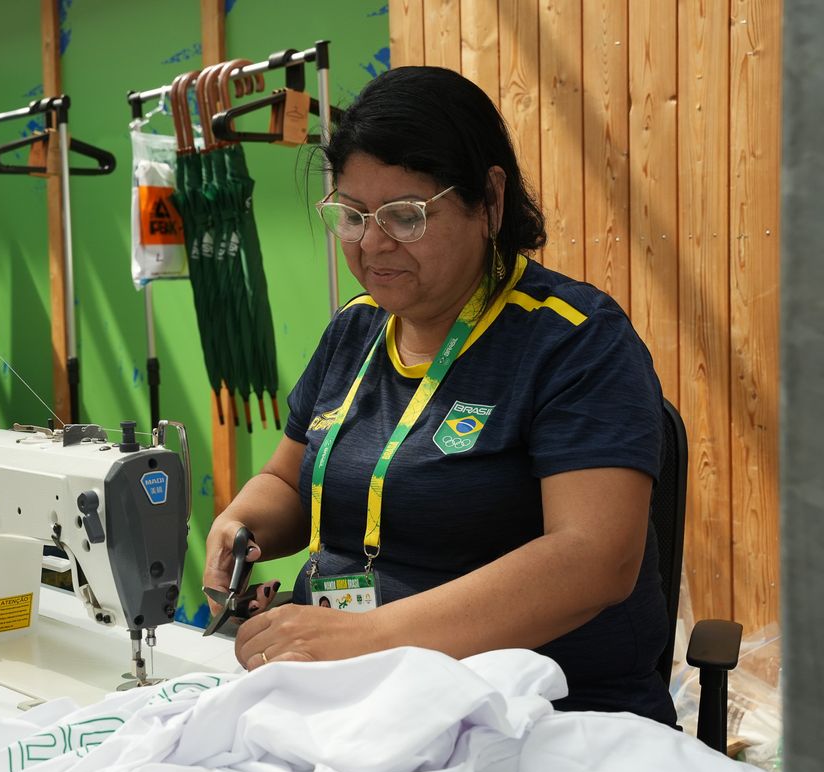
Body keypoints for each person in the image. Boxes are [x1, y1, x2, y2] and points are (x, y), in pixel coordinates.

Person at [202, 66, 676, 726]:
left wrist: (368, 637)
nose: (371, 243)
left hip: (537, 719)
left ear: (489, 200)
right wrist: (239, 526)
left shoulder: (574, 342)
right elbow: (287, 480)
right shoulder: (354, 332)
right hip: (356, 697)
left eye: (404, 216)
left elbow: (594, 559)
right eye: (351, 215)